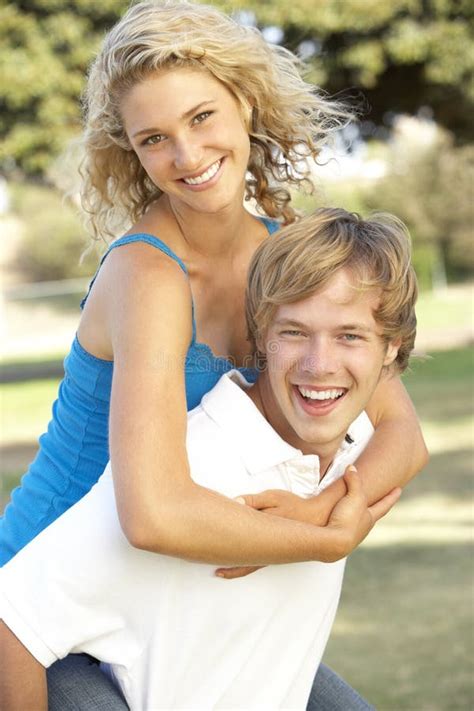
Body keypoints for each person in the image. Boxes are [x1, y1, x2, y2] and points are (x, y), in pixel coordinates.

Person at [0, 0, 427, 706]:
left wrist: (325, 512)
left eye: (202, 118)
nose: (187, 157)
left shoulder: (276, 253)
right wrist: (323, 537)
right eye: (154, 139)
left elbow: (402, 431)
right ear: (131, 153)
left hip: (172, 583)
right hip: (47, 612)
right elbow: (152, 513)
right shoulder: (148, 274)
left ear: (246, 104)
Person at [0, 208, 417, 710]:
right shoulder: (197, 473)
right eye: (294, 333)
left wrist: (320, 518)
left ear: (390, 349)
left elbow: (407, 440)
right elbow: (11, 620)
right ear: (260, 336)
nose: (320, 365)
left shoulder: (357, 445)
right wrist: (325, 540)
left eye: (349, 336)